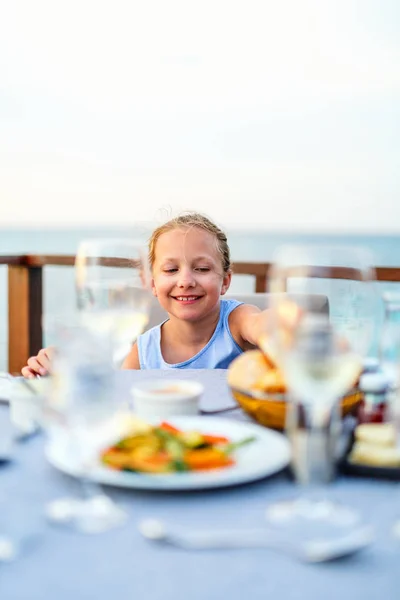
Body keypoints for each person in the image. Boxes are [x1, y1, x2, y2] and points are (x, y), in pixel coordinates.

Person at [22, 212, 295, 377]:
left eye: (201, 268)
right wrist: (66, 372)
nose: (186, 281)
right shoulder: (143, 351)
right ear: (152, 284)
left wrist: (280, 327)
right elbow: (117, 395)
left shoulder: (236, 322)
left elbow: (261, 324)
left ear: (225, 281)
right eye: (171, 269)